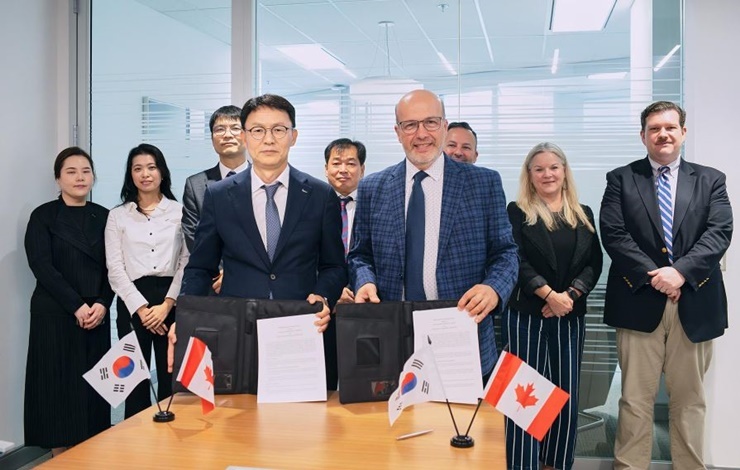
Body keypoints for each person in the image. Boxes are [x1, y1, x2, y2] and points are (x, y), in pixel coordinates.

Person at [175, 94, 347, 390]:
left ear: (293, 136)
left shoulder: (320, 194)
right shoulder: (219, 196)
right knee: (238, 415)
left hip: (302, 328)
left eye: (279, 129)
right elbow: (200, 268)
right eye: (257, 130)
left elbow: (334, 265)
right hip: (237, 330)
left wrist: (323, 295)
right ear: (244, 137)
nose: (268, 139)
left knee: (302, 416)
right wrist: (185, 318)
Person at [348, 89, 518, 379]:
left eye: (430, 122)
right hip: (393, 337)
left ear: (444, 126)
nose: (421, 134)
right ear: (397, 132)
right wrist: (365, 281)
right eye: (410, 125)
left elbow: (506, 252)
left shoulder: (483, 183)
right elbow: (359, 255)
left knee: (463, 412)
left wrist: (493, 288)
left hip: (463, 334)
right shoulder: (373, 187)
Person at [600, 101, 732, 469]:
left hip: (694, 302)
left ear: (683, 133)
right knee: (634, 400)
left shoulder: (711, 180)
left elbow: (719, 232)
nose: (663, 134)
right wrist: (657, 276)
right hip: (639, 300)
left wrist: (680, 273)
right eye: (654, 128)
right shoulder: (621, 179)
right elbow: (614, 234)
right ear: (643, 135)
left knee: (690, 402)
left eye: (670, 127)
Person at [505, 142, 602, 470]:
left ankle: (557, 463)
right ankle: (523, 463)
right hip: (526, 316)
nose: (547, 174)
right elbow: (515, 259)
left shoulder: (583, 213)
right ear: (530, 175)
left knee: (565, 392)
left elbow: (594, 263)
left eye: (553, 167)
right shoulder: (517, 212)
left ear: (564, 172)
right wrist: (548, 295)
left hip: (570, 315)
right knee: (525, 396)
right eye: (539, 169)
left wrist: (569, 296)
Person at [24, 147, 114, 456]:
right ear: (58, 178)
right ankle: (59, 458)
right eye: (71, 171)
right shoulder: (43, 216)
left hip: (96, 314)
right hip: (55, 313)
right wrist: (76, 305)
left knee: (94, 390)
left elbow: (114, 267)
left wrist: (103, 302)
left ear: (93, 177)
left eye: (86, 171)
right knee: (56, 391)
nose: (79, 177)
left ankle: (92, 456)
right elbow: (41, 265)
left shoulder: (105, 216)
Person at [105, 143, 189, 418]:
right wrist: (141, 310)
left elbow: (186, 262)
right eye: (138, 168)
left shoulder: (180, 212)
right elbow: (115, 268)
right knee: (133, 383)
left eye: (151, 167)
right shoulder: (117, 215)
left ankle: (172, 441)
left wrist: (166, 305)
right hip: (132, 302)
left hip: (170, 301)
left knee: (170, 378)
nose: (145, 174)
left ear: (162, 172)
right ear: (130, 175)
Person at [182, 105, 248, 295]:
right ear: (212, 139)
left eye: (235, 128)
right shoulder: (195, 184)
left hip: (257, 283)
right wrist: (221, 271)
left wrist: (236, 272)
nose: (227, 135)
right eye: (220, 129)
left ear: (247, 135)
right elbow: (194, 236)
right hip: (214, 284)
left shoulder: (264, 180)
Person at [324, 137, 366, 303]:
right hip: (322, 297)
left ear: (362, 169)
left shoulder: (372, 205)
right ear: (326, 169)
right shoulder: (312, 204)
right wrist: (332, 289)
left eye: (350, 163)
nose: (343, 170)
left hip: (365, 296)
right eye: (336, 163)